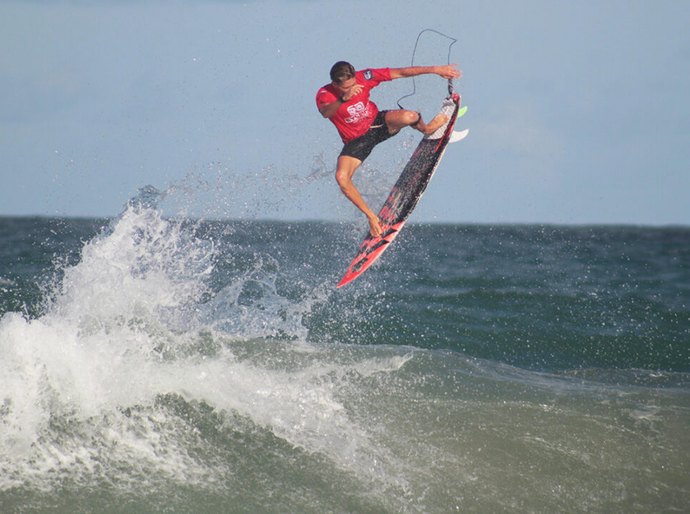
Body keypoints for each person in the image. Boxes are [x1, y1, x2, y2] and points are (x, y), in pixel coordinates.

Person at [316, 61, 461, 237]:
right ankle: (371, 217)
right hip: (357, 141)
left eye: (353, 84)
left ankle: (428, 129)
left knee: (410, 116)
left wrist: (435, 70)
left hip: (379, 124)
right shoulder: (325, 94)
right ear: (335, 85)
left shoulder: (365, 77)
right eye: (346, 87)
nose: (353, 89)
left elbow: (400, 72)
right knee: (342, 178)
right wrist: (343, 99)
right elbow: (326, 113)